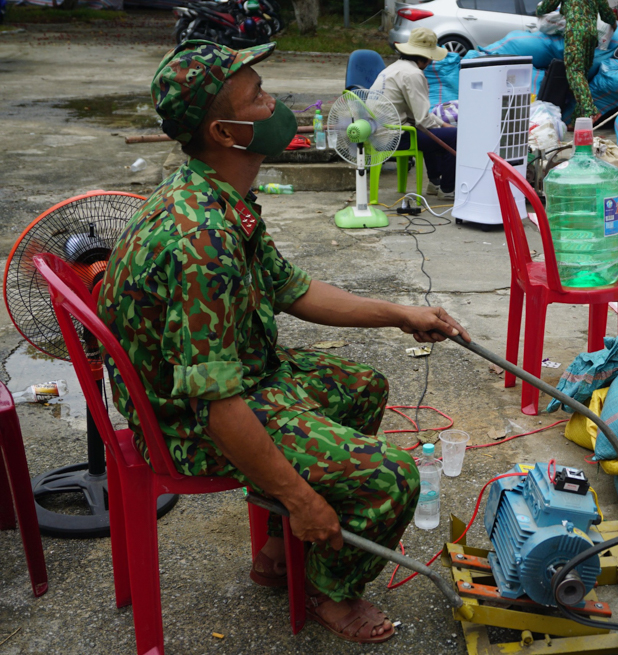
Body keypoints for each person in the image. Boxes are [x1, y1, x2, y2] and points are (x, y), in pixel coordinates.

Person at [97, 39, 470, 645]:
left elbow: (291, 288)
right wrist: (301, 498)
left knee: (363, 386)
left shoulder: (218, 197)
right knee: (394, 478)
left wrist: (400, 314)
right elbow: (218, 409)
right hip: (190, 422)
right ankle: (332, 588)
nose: (276, 104)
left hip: (236, 381)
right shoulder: (201, 239)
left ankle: (277, 551)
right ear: (226, 131)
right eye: (259, 97)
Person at [371, 28, 457, 200]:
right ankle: (447, 189)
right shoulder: (413, 74)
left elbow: (416, 115)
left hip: (377, 132)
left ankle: (434, 182)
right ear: (426, 57)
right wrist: (447, 128)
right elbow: (423, 121)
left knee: (436, 131)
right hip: (394, 137)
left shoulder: (395, 68)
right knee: (455, 135)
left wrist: (441, 124)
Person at [536, 0, 618, 122]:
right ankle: (577, 120)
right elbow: (606, 14)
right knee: (582, 76)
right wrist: (613, 23)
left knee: (574, 71)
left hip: (575, 33)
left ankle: (590, 111)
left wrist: (539, 10)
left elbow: (549, 5)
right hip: (591, 34)